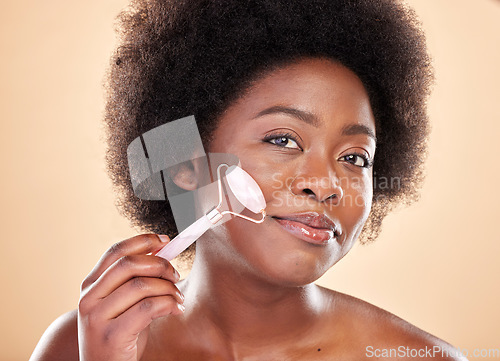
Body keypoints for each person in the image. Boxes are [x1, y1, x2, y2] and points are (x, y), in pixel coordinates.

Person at [30, 0, 467, 360]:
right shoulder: (81, 345)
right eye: (283, 139)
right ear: (187, 164)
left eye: (355, 157)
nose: (327, 183)